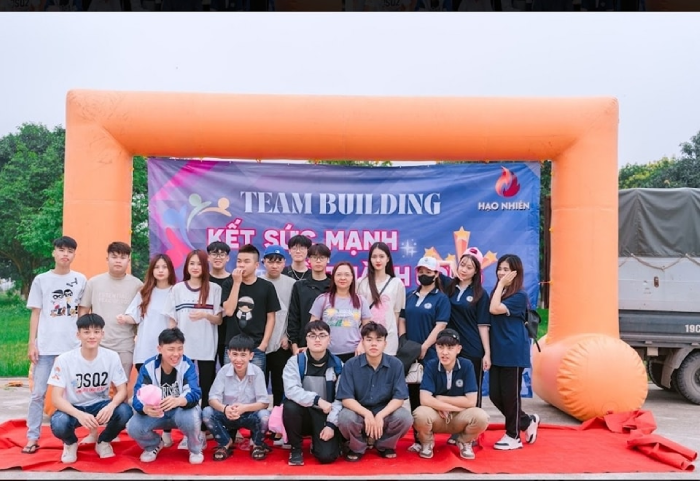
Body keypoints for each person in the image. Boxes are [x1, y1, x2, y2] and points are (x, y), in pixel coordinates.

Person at [23, 236, 88, 455]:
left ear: (74, 254)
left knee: (75, 395)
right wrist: (32, 343)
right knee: (38, 394)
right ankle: (32, 437)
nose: (65, 254)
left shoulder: (80, 279)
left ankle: (71, 438)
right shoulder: (41, 280)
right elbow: (36, 313)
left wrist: (84, 341)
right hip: (46, 348)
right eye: (61, 250)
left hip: (72, 348)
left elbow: (82, 312)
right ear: (54, 252)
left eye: (70, 251)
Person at [48, 314, 133, 464]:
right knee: (59, 423)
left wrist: (111, 406)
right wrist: (79, 414)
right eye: (86, 332)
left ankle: (104, 441)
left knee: (125, 411)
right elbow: (56, 398)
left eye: (96, 332)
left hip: (100, 405)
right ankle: (70, 443)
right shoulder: (64, 360)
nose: (92, 336)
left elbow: (122, 390)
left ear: (102, 334)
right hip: (74, 407)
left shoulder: (111, 357)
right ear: (78, 335)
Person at [165, 249, 223, 442]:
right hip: (183, 349)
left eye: (199, 264)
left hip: (206, 346)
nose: (195, 267)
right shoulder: (177, 289)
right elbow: (172, 320)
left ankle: (204, 430)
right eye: (192, 263)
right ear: (186, 266)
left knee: (206, 387)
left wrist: (205, 314)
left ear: (205, 266)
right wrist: (171, 345)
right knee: (184, 388)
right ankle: (186, 429)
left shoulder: (214, 288)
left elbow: (219, 320)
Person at [126, 327, 205, 464]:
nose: (176, 354)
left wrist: (179, 400)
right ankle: (153, 445)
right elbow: (138, 395)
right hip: (157, 413)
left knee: (191, 417)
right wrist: (145, 408)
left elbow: (195, 392)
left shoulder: (187, 365)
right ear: (160, 349)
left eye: (180, 348)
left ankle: (195, 449)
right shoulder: (149, 366)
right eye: (171, 349)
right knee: (133, 426)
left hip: (180, 412)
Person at [336, 322, 413, 461]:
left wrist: (380, 415)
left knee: (405, 417)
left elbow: (399, 397)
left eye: (378, 340)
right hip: (359, 412)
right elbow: (346, 398)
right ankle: (357, 446)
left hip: (384, 412)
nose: (373, 344)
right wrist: (366, 414)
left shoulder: (396, 365)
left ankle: (384, 445)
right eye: (369, 339)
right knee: (345, 418)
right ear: (362, 342)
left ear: (385, 343)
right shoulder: (350, 365)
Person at [411, 328, 490, 460]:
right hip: (438, 415)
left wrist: (440, 399)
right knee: (419, 414)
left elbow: (471, 401)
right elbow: (424, 399)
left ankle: (464, 441)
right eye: (441, 347)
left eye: (450, 348)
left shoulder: (467, 365)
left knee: (481, 417)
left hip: (459, 417)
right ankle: (427, 442)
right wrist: (447, 407)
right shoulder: (431, 365)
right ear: (436, 347)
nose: (445, 352)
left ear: (458, 349)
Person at [398, 255, 450, 448]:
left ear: (436, 274)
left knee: (428, 396)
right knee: (414, 396)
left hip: (430, 356)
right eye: (421, 271)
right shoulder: (410, 295)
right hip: (410, 354)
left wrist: (425, 346)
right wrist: (404, 341)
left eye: (428, 272)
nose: (424, 274)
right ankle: (418, 439)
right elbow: (402, 319)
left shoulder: (441, 298)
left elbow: (441, 325)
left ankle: (429, 437)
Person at [488, 254, 539, 450]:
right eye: (500, 269)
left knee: (510, 396)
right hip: (497, 351)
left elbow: (494, 309)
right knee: (495, 395)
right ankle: (526, 421)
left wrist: (501, 285)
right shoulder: (498, 291)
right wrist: (500, 286)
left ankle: (513, 435)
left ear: (515, 273)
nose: (501, 273)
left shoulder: (519, 296)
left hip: (512, 351)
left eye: (506, 269)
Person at [78, 241, 144, 381]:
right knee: (97, 385)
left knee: (121, 385)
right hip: (97, 344)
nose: (118, 261)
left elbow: (141, 315)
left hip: (125, 346)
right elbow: (83, 311)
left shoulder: (137, 285)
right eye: (114, 257)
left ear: (129, 260)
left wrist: (138, 337)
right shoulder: (94, 283)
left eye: (123, 257)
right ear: (107, 259)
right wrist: (83, 338)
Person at [282, 320, 343, 466]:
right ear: (306, 339)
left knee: (327, 457)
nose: (317, 339)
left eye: (322, 335)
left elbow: (341, 398)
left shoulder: (338, 365)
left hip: (326, 415)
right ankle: (296, 448)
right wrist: (317, 400)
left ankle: (318, 443)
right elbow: (291, 390)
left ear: (329, 339)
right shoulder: (295, 362)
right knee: (290, 406)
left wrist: (331, 425)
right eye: (312, 335)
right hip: (303, 413)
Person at [202, 334, 271, 461]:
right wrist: (225, 409)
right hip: (228, 414)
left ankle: (257, 444)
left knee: (265, 415)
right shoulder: (223, 371)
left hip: (249, 414)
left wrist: (244, 408)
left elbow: (264, 402)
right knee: (206, 412)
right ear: (228, 354)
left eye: (243, 355)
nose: (238, 359)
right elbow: (212, 398)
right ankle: (225, 443)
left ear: (251, 355)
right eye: (235, 354)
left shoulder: (257, 372)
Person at [221, 244, 280, 373]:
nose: (241, 265)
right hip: (232, 347)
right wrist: (237, 283)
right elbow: (229, 311)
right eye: (239, 261)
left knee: (256, 383)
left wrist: (263, 344)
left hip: (256, 347)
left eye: (246, 261)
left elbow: (271, 318)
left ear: (256, 265)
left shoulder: (267, 287)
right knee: (230, 382)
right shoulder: (228, 284)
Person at [444, 251, 491, 408]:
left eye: (469, 267)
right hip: (450, 347)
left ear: (476, 271)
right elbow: (430, 266)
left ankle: (474, 421)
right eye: (462, 265)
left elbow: (483, 325)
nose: (464, 270)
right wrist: (451, 266)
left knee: (472, 389)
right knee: (452, 388)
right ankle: (455, 421)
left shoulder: (480, 294)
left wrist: (487, 353)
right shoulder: (448, 287)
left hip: (472, 347)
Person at [119, 254, 176, 375]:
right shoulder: (145, 292)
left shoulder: (176, 292)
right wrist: (124, 318)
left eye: (164, 267)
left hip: (168, 350)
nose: (160, 270)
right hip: (145, 349)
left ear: (170, 270)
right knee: (147, 385)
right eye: (157, 267)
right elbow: (135, 316)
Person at [309, 261, 372, 363]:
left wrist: (362, 344)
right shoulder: (322, 299)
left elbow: (368, 328)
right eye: (339, 274)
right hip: (327, 353)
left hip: (355, 353)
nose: (343, 278)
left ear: (352, 278)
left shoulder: (361, 300)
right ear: (333, 277)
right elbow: (311, 327)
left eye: (347, 275)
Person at [259, 245, 296, 413]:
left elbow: (294, 313)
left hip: (282, 343)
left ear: (284, 263)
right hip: (260, 342)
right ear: (263, 262)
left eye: (278, 262)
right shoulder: (257, 282)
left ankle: (278, 418)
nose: (274, 265)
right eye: (270, 261)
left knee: (279, 384)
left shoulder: (292, 284)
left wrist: (288, 336)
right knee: (258, 384)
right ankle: (259, 420)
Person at [357, 241, 405, 356]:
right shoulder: (361, 282)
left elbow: (396, 313)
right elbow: (358, 313)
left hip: (388, 339)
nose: (378, 260)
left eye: (381, 256)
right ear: (370, 259)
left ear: (388, 259)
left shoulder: (396, 283)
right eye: (374, 257)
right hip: (366, 339)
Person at [287, 243, 332, 355]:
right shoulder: (299, 286)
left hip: (332, 345)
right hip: (304, 345)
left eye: (322, 257)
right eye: (314, 257)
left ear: (328, 260)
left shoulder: (334, 286)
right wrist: (294, 346)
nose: (318, 261)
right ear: (309, 259)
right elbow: (293, 317)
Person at [207, 241, 232, 369]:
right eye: (214, 254)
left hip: (227, 333)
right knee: (207, 372)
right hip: (206, 331)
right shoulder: (202, 279)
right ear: (208, 257)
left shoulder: (234, 280)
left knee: (227, 370)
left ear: (227, 258)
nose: (218, 257)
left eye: (222, 254)